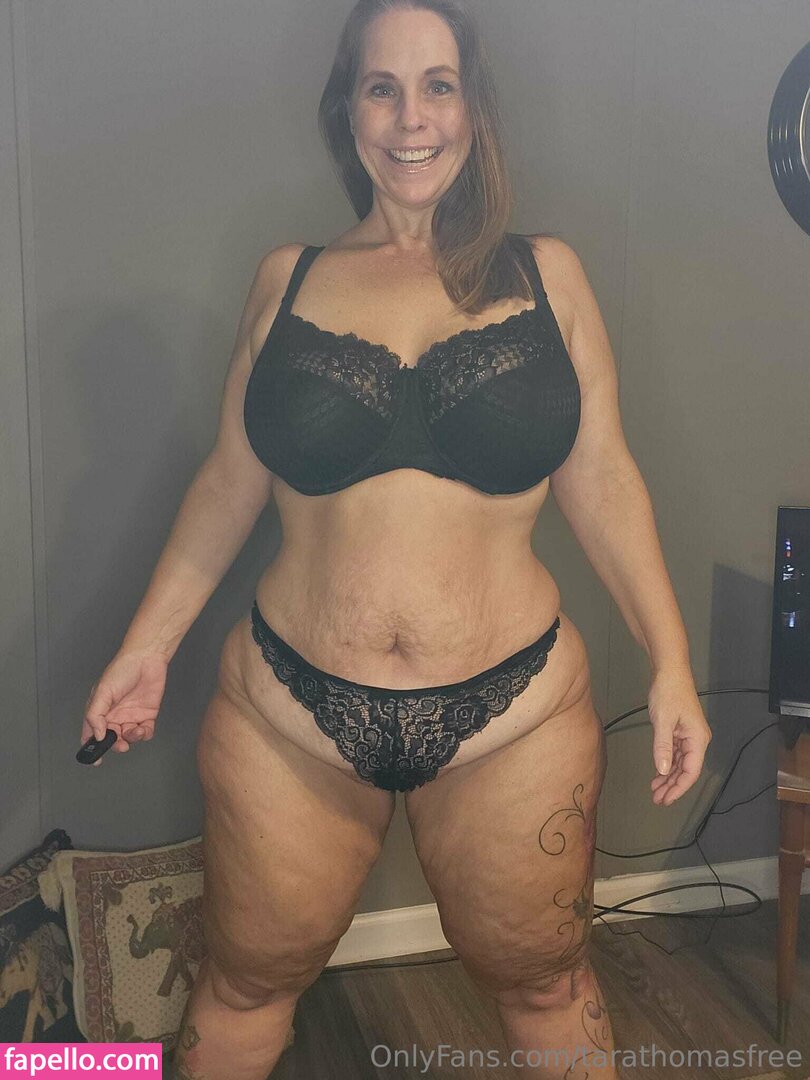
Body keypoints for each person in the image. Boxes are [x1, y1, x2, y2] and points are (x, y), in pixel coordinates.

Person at [80, 1, 712, 1077]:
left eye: (437, 86)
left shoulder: (548, 276)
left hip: (513, 716)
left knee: (548, 984)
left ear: (473, 108)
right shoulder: (287, 280)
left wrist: (671, 662)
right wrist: (148, 645)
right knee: (243, 986)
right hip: (290, 715)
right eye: (382, 87)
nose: (411, 117)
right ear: (349, 110)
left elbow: (603, 477)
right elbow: (229, 479)